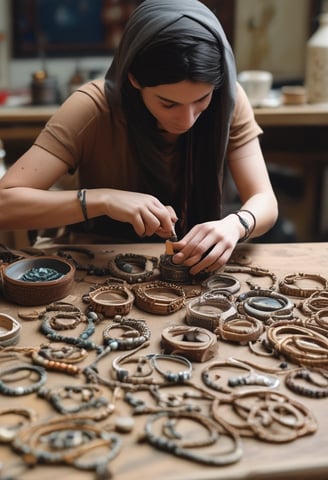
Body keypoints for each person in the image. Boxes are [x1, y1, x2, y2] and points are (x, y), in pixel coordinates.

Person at [0, 0, 278, 275]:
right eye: (168, 103)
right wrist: (105, 200)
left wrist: (235, 224)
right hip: (96, 262)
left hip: (193, 266)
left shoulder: (228, 100)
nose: (187, 119)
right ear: (133, 78)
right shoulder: (92, 108)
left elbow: (264, 198)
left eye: (202, 99)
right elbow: (5, 205)